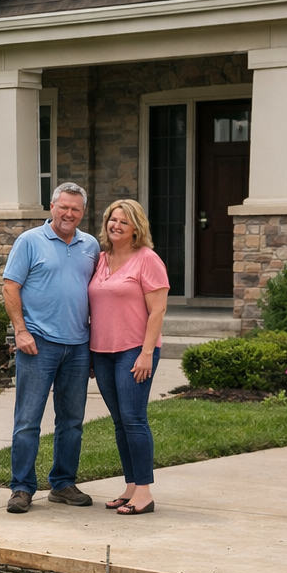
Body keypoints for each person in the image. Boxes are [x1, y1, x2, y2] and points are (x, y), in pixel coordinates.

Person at [2, 182, 101, 514]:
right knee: (28, 419)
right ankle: (22, 487)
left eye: (75, 209)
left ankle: (62, 483)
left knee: (72, 420)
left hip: (78, 344)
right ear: (52, 207)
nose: (68, 214)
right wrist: (21, 331)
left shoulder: (90, 245)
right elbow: (10, 287)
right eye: (63, 207)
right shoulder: (30, 241)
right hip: (38, 344)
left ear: (82, 213)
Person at [88, 199, 169, 515]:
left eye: (123, 221)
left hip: (135, 351)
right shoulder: (100, 259)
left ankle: (145, 493)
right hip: (102, 352)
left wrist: (147, 352)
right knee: (120, 421)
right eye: (112, 220)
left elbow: (158, 310)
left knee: (134, 419)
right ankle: (131, 486)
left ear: (136, 227)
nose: (116, 225)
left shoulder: (147, 260)